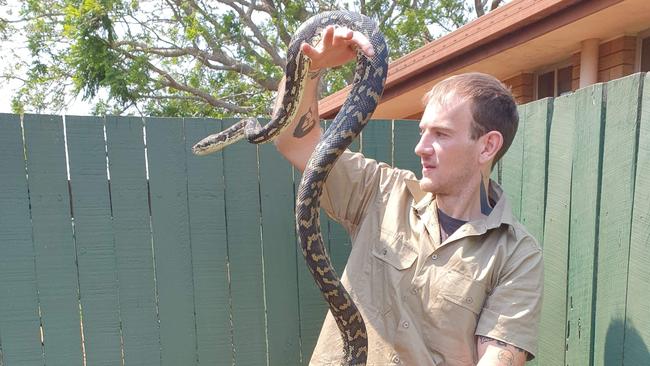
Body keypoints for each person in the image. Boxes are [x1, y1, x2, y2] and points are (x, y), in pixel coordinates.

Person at [274, 25, 543, 366]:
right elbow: (292, 141)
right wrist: (310, 66)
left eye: (441, 135)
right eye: (423, 132)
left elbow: (497, 358)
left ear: (487, 146)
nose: (420, 148)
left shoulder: (516, 255)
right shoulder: (380, 191)